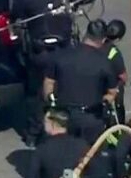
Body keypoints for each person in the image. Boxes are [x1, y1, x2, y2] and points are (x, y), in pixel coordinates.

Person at [13, 0, 95, 146]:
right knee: (65, 90)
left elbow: (16, 13)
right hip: (64, 52)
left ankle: (34, 134)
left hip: (38, 53)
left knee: (36, 93)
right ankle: (64, 129)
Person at [43, 19, 120, 147]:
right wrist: (105, 102)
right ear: (103, 40)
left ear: (85, 34)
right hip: (91, 118)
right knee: (90, 152)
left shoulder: (62, 55)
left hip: (63, 116)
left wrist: (51, 102)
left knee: (64, 150)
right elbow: (112, 92)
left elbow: (48, 82)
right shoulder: (105, 62)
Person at [104, 19, 129, 124]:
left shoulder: (97, 45)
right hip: (110, 86)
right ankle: (120, 123)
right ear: (118, 38)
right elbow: (122, 75)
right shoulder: (114, 52)